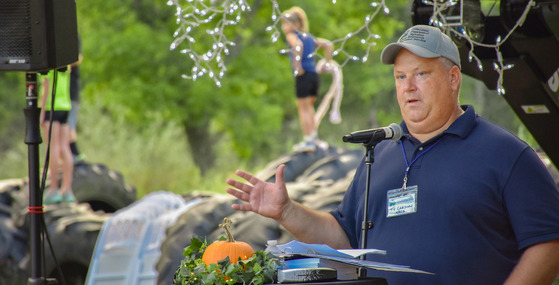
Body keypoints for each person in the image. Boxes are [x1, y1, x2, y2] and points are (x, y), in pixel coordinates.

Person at [226, 25, 559, 284]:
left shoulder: (505, 153)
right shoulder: (380, 153)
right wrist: (287, 211)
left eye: (421, 74)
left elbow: (548, 242)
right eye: (400, 77)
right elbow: (346, 240)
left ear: (453, 78)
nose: (408, 86)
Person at [281, 7, 333, 152]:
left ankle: (308, 141)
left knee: (303, 108)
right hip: (314, 76)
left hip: (303, 75)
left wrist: (297, 66)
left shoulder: (292, 36)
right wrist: (326, 64)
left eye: (286, 24)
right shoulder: (310, 37)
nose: (284, 27)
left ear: (296, 24)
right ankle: (313, 138)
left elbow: (297, 46)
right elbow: (328, 45)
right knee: (309, 108)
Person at [40, 67, 76, 204]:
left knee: (52, 148)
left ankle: (53, 188)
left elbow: (46, 87)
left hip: (52, 107)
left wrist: (41, 112)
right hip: (65, 107)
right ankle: (67, 189)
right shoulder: (66, 65)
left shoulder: (48, 66)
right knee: (65, 148)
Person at [69, 36, 85, 163]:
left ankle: (75, 155)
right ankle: (71, 155)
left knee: (69, 125)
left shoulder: (72, 35)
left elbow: (78, 58)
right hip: (58, 94)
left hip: (70, 91)